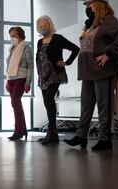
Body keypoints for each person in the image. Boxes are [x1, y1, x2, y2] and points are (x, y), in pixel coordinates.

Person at [63, 0, 118, 151]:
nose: (87, 7)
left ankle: (105, 139)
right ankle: (81, 136)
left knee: (103, 106)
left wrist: (109, 53)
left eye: (90, 4)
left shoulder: (108, 21)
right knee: (86, 105)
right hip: (88, 71)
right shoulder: (90, 24)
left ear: (99, 5)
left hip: (103, 70)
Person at [35, 16, 79, 145]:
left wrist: (67, 62)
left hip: (55, 73)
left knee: (49, 99)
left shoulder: (58, 38)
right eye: (40, 26)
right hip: (43, 75)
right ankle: (52, 133)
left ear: (49, 25)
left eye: (44, 25)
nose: (42, 28)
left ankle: (52, 132)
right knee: (47, 102)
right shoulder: (40, 42)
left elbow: (76, 49)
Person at [5, 27, 33, 141]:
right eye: (11, 36)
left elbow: (30, 66)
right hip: (11, 79)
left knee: (15, 103)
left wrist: (28, 82)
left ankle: (18, 131)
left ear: (21, 37)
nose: (12, 38)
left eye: (14, 36)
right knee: (16, 105)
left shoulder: (26, 47)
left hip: (21, 78)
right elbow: (9, 66)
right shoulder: (11, 49)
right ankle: (23, 129)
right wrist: (7, 80)